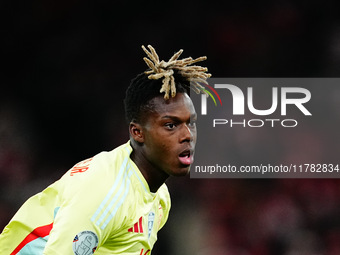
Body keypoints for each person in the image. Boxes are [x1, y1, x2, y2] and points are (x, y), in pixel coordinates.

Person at [0, 45, 211, 254]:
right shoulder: (107, 191)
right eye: (170, 125)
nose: (187, 135)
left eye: (190, 123)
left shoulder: (160, 198)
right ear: (138, 133)